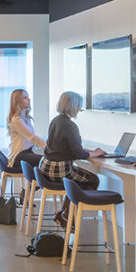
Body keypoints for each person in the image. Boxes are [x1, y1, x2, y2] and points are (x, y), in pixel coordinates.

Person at [39, 91, 107, 227]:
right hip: (59, 169)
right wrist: (96, 153)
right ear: (74, 106)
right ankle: (68, 215)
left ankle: (64, 214)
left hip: (46, 166)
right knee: (93, 180)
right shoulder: (70, 126)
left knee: (78, 183)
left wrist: (92, 151)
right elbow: (79, 154)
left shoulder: (56, 121)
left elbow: (65, 147)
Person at [6, 88, 46, 171]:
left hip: (27, 152)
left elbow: (33, 138)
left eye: (28, 97)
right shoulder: (17, 120)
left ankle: (37, 184)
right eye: (25, 98)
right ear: (17, 102)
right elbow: (32, 138)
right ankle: (40, 184)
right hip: (18, 156)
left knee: (46, 160)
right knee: (46, 161)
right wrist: (49, 147)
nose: (29, 99)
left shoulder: (26, 118)